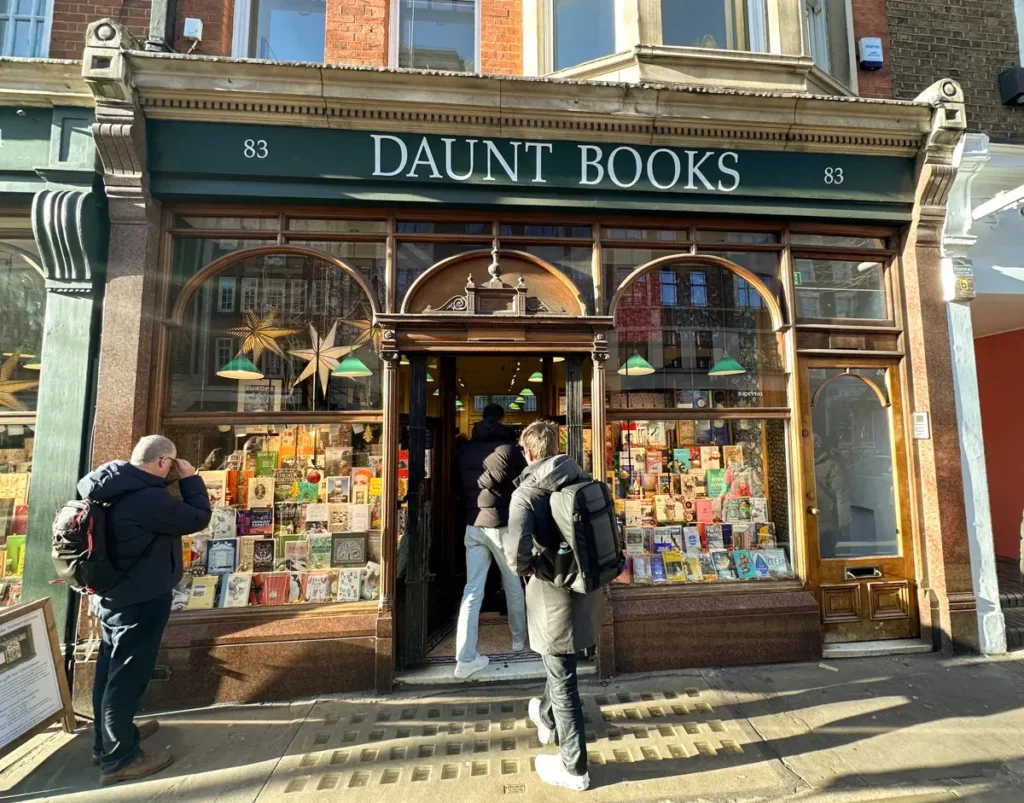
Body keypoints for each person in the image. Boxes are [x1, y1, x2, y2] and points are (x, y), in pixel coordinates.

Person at [79, 435, 212, 786]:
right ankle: (121, 757)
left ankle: (106, 741)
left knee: (111, 671)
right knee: (126, 677)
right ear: (164, 462)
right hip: (139, 599)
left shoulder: (111, 488)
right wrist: (191, 479)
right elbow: (198, 517)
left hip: (115, 596)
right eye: (173, 463)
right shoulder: (146, 498)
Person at [507, 420, 603, 792]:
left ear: (530, 452)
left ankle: (574, 767)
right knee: (560, 661)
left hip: (552, 593)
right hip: (585, 586)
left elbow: (516, 553)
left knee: (563, 677)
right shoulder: (583, 478)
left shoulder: (526, 494)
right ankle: (546, 718)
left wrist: (530, 567)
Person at [453, 403, 528, 678]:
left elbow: (458, 485)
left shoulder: (463, 451)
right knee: (512, 583)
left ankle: (464, 658)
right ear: (502, 419)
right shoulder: (510, 450)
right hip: (501, 524)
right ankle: (519, 641)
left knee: (471, 591)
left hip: (472, 526)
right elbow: (524, 482)